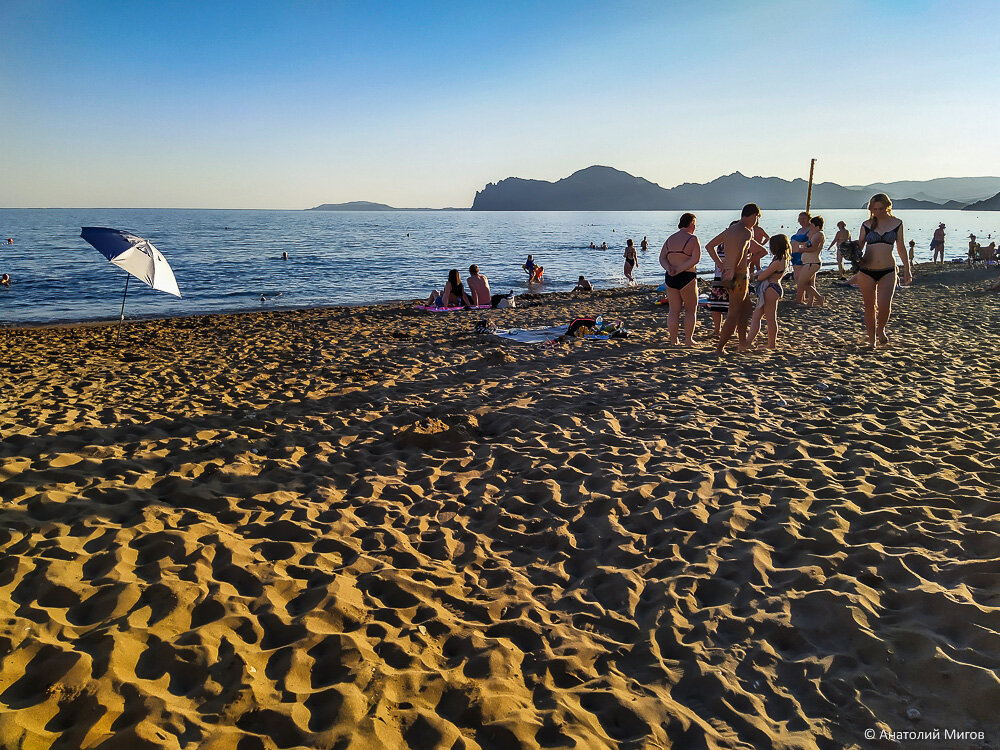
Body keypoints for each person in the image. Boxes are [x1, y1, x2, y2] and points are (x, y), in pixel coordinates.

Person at [706, 203, 768, 355]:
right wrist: (733, 267)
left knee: (745, 308)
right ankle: (720, 348)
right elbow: (740, 251)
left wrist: (722, 265)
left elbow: (709, 246)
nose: (756, 222)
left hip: (727, 274)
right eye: (757, 218)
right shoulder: (746, 232)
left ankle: (742, 343)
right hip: (738, 277)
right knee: (734, 312)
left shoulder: (730, 230)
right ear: (753, 215)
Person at [856, 193, 912, 347]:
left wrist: (907, 268)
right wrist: (850, 251)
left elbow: (901, 247)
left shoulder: (897, 223)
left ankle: (881, 329)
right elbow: (859, 246)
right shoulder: (866, 225)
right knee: (869, 306)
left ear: (888, 207)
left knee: (884, 305)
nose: (878, 212)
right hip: (866, 270)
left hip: (888, 270)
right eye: (874, 209)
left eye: (881, 208)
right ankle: (872, 340)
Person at [659, 213, 702, 346]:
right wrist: (680, 269)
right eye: (694, 223)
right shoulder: (693, 239)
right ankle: (688, 340)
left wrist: (670, 268)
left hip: (670, 277)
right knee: (690, 310)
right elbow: (696, 259)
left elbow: (662, 258)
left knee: (674, 310)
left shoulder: (670, 239)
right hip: (687, 277)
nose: (695, 225)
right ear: (691, 223)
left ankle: (674, 340)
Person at [747, 235, 790, 350]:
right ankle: (748, 341)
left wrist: (755, 275)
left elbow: (762, 277)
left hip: (771, 289)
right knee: (756, 316)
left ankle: (771, 344)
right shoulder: (781, 259)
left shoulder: (778, 261)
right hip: (773, 287)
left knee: (770, 318)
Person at [706, 226, 734, 337]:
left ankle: (731, 330)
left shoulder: (742, 243)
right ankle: (717, 329)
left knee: (733, 306)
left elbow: (761, 251)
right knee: (716, 306)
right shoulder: (721, 244)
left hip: (735, 278)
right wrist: (720, 263)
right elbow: (709, 247)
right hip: (720, 277)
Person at [799, 216, 827, 307]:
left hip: (812, 262)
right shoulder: (815, 234)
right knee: (810, 283)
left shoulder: (819, 234)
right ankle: (810, 302)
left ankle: (819, 298)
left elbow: (814, 248)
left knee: (802, 283)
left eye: (812, 224)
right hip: (810, 262)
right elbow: (809, 245)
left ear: (816, 225)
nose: (810, 226)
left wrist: (803, 249)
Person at [790, 212, 812, 303]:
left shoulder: (811, 230)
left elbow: (810, 244)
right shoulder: (799, 230)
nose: (801, 220)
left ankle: (800, 299)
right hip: (794, 255)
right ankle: (801, 297)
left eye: (804, 218)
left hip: (801, 255)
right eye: (800, 218)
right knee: (796, 277)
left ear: (808, 219)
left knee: (800, 277)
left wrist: (798, 247)